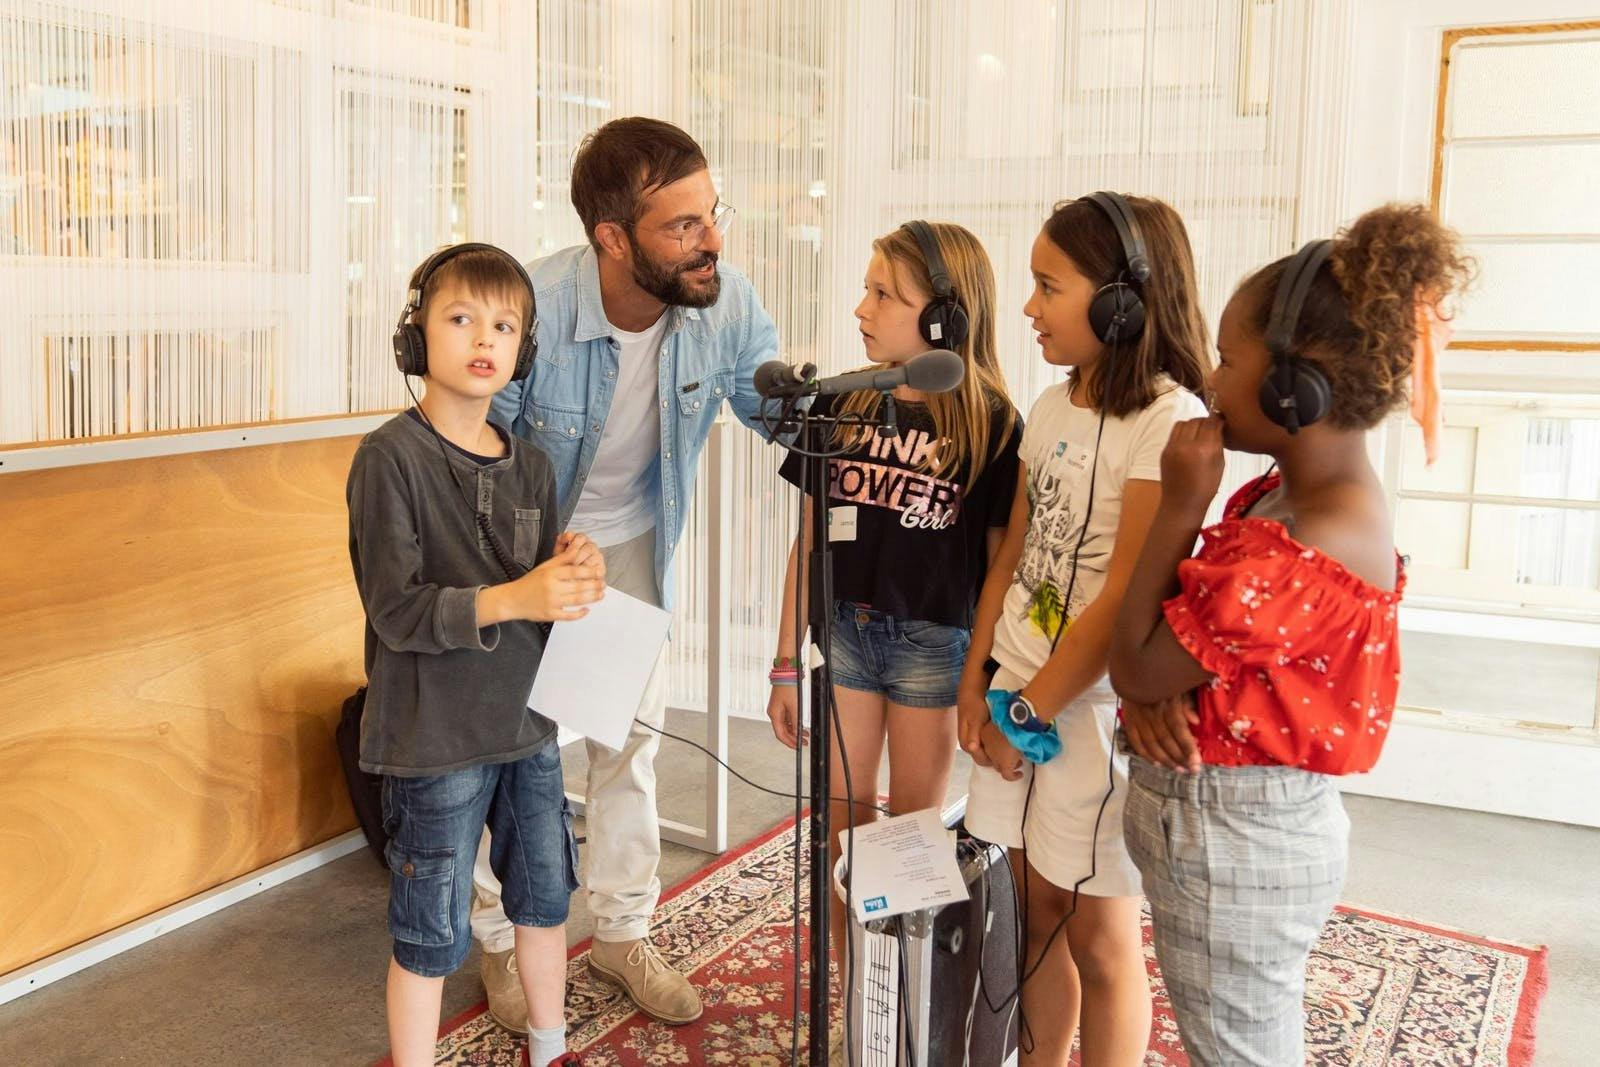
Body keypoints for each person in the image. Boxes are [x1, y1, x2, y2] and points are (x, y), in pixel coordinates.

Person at [1109, 203, 1471, 1066]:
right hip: (1218, 829)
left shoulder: (1316, 535)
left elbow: (1136, 656)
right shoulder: (1286, 498)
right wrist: (1158, 689)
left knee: (1239, 1052)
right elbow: (1178, 642)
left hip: (1237, 845)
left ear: (1292, 386)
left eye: (1231, 361)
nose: (1212, 378)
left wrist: (1179, 507)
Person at [480, 117, 781, 1028]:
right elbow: (473, 453)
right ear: (612, 238)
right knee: (508, 755)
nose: (711, 240)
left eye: (711, 214)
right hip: (525, 556)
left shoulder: (720, 301)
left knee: (629, 743)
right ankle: (498, 941)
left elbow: (774, 407)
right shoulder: (531, 305)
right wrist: (531, 568)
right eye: (681, 225)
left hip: (637, 544)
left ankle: (619, 932)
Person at [958, 193, 1210, 1065]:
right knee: (1029, 914)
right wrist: (976, 679)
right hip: (1011, 694)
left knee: (1100, 940)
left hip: (1080, 717)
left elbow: (1119, 600)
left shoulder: (1167, 421)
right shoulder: (1051, 405)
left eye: (1046, 286)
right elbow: (1014, 557)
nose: (1027, 307)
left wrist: (1019, 721)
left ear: (1120, 303)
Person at [348, 243, 607, 1066]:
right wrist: (517, 597)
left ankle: (549, 1045)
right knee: (430, 932)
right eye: (460, 318)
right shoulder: (388, 459)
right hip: (435, 743)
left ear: (524, 349)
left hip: (527, 729)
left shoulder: (530, 463)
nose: (482, 338)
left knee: (544, 902)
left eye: (503, 324)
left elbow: (541, 582)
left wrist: (574, 570)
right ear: (414, 336)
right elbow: (395, 608)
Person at [764, 220, 1023, 975]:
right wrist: (786, 662)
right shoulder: (839, 409)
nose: (861, 309)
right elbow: (807, 543)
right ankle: (858, 995)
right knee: (843, 825)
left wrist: (984, 676)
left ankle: (906, 1002)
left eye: (884, 294)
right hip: (845, 636)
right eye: (867, 289)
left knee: (910, 835)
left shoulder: (993, 426)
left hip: (932, 648)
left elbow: (1003, 567)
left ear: (944, 318)